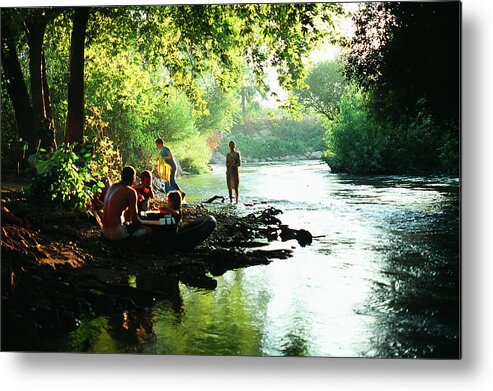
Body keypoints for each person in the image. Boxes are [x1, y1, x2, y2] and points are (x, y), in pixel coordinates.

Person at [102, 166, 153, 241]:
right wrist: (145, 223)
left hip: (104, 230)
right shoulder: (131, 192)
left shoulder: (112, 186)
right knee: (149, 231)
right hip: (116, 232)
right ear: (134, 179)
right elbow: (135, 221)